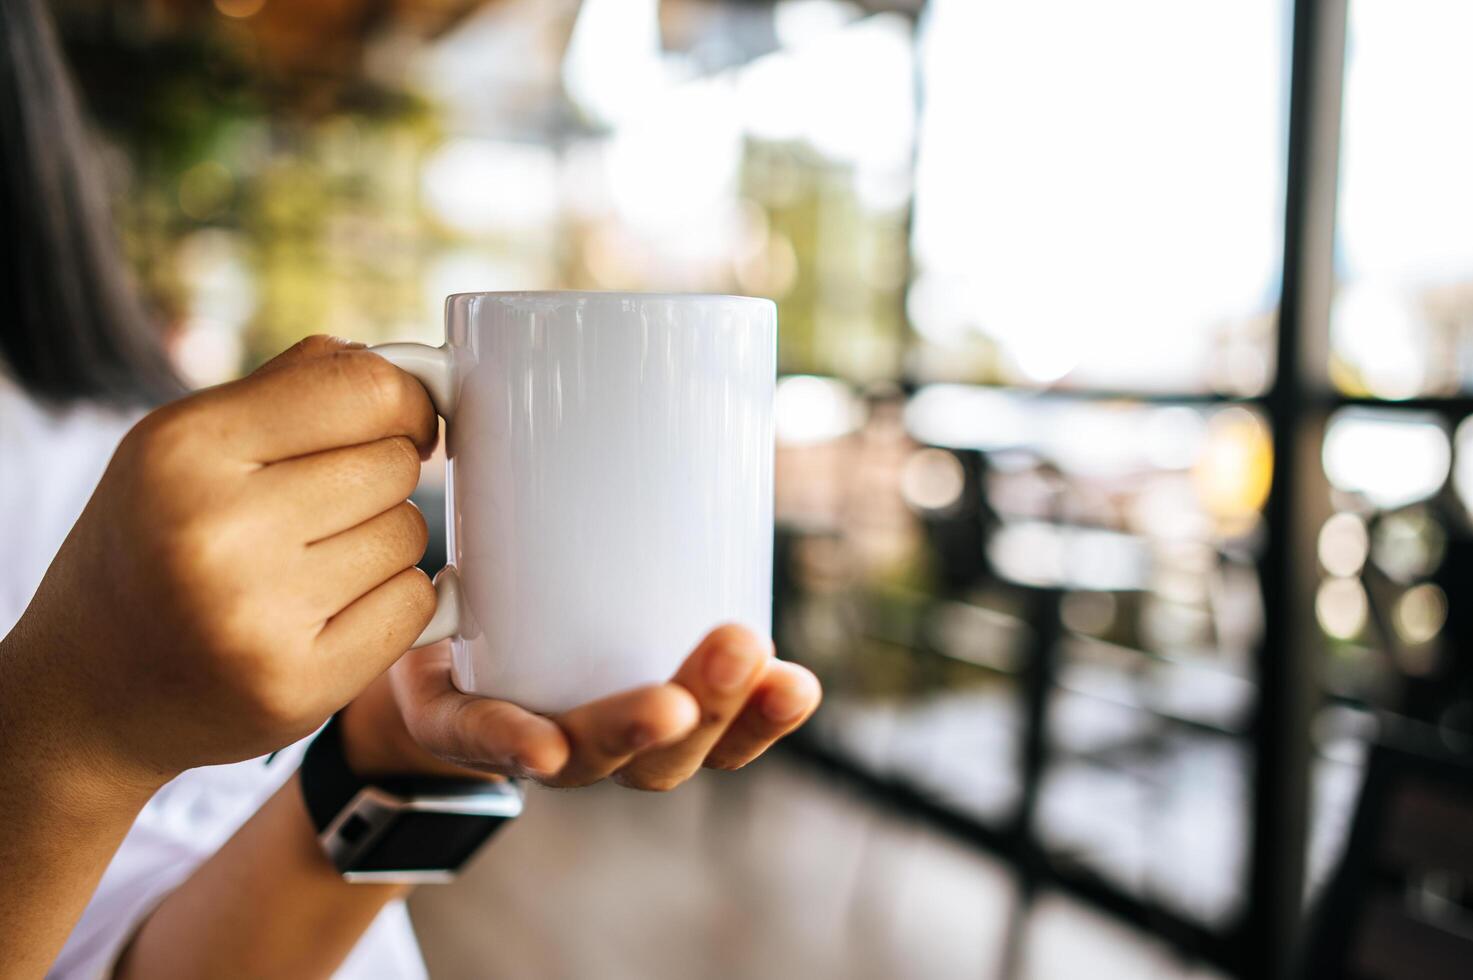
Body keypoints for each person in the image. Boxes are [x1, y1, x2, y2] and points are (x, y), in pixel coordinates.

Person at [0, 2, 822, 977]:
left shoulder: (115, 456)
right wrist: (68, 735)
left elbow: (140, 953)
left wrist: (392, 751)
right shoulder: (121, 481)